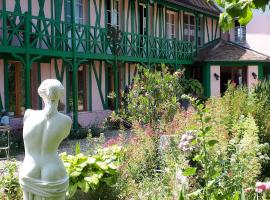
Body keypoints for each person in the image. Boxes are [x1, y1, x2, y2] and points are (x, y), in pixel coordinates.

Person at [19, 79, 72, 200]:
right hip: (53, 169)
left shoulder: (29, 115)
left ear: (42, 94)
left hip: (29, 169)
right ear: (60, 94)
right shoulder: (66, 121)